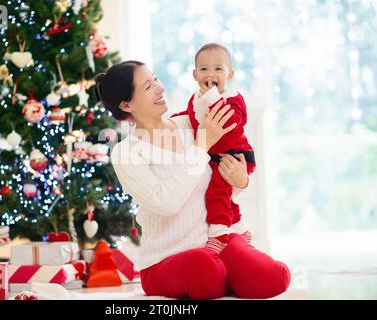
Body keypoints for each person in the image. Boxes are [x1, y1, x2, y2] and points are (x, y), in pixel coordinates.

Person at [94, 60, 291, 299]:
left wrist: (241, 181)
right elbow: (166, 202)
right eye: (148, 86)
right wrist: (202, 145)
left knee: (276, 277)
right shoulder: (127, 152)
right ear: (127, 104)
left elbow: (222, 175)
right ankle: (224, 278)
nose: (159, 88)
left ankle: (226, 276)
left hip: (217, 242)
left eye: (155, 78)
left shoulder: (191, 122)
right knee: (206, 271)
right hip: (165, 258)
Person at [173, 43, 256, 254]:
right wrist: (170, 122)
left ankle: (218, 234)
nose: (211, 74)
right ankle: (239, 228)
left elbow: (231, 121)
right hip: (212, 157)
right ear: (194, 75)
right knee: (224, 197)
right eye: (204, 69)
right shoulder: (196, 99)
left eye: (218, 69)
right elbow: (190, 118)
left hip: (235, 156)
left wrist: (212, 98)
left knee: (216, 194)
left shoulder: (233, 98)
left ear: (230, 74)